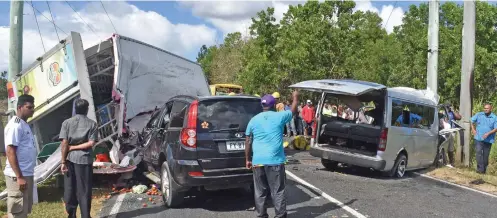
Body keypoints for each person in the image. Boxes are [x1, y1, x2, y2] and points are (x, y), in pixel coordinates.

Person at [245, 90, 299, 218]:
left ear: (262, 106)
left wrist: (248, 159)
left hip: (258, 161)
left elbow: (248, 140)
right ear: (274, 105)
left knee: (260, 191)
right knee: (278, 191)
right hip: (275, 161)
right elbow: (293, 110)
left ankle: (261, 215)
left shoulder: (253, 120)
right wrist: (295, 97)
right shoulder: (279, 117)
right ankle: (280, 215)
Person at [60, 99, 98, 218]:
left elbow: (64, 143)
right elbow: (91, 143)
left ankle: (71, 215)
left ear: (75, 109)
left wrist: (63, 161)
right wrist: (74, 147)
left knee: (70, 188)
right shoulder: (92, 124)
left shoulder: (66, 123)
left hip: (69, 159)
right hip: (84, 160)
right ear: (87, 110)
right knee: (84, 190)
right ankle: (85, 215)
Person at [4, 95, 36, 218]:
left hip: (27, 173)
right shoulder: (15, 125)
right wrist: (19, 176)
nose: (32, 110)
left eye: (33, 107)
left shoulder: (24, 124)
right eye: (29, 107)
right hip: (17, 176)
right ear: (19, 107)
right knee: (17, 212)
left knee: (23, 211)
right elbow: (10, 151)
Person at [470, 103, 497, 175]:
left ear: (491, 109)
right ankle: (480, 170)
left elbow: (496, 128)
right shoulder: (479, 114)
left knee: (485, 156)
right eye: (484, 108)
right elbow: (471, 120)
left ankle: (483, 170)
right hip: (478, 138)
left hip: (488, 140)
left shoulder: (494, 117)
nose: (485, 110)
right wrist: (473, 129)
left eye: (487, 108)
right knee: (478, 152)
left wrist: (488, 133)